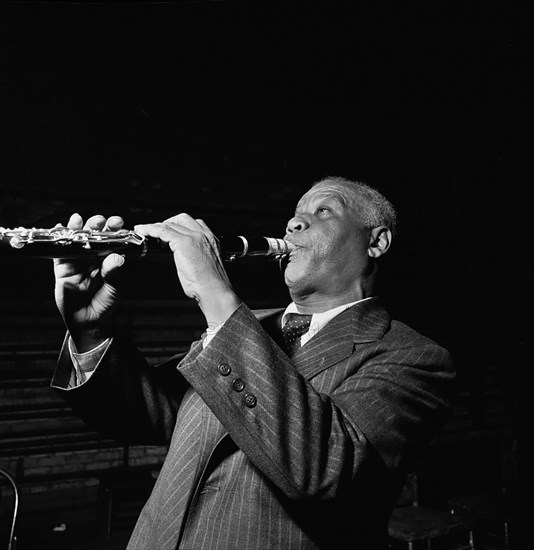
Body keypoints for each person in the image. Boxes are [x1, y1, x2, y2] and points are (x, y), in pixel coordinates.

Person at [51, 176, 455, 550]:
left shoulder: (413, 357)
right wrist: (91, 333)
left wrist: (215, 293)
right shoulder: (244, 326)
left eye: (323, 211)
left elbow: (324, 470)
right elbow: (143, 413)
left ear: (377, 241)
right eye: (296, 213)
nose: (295, 222)